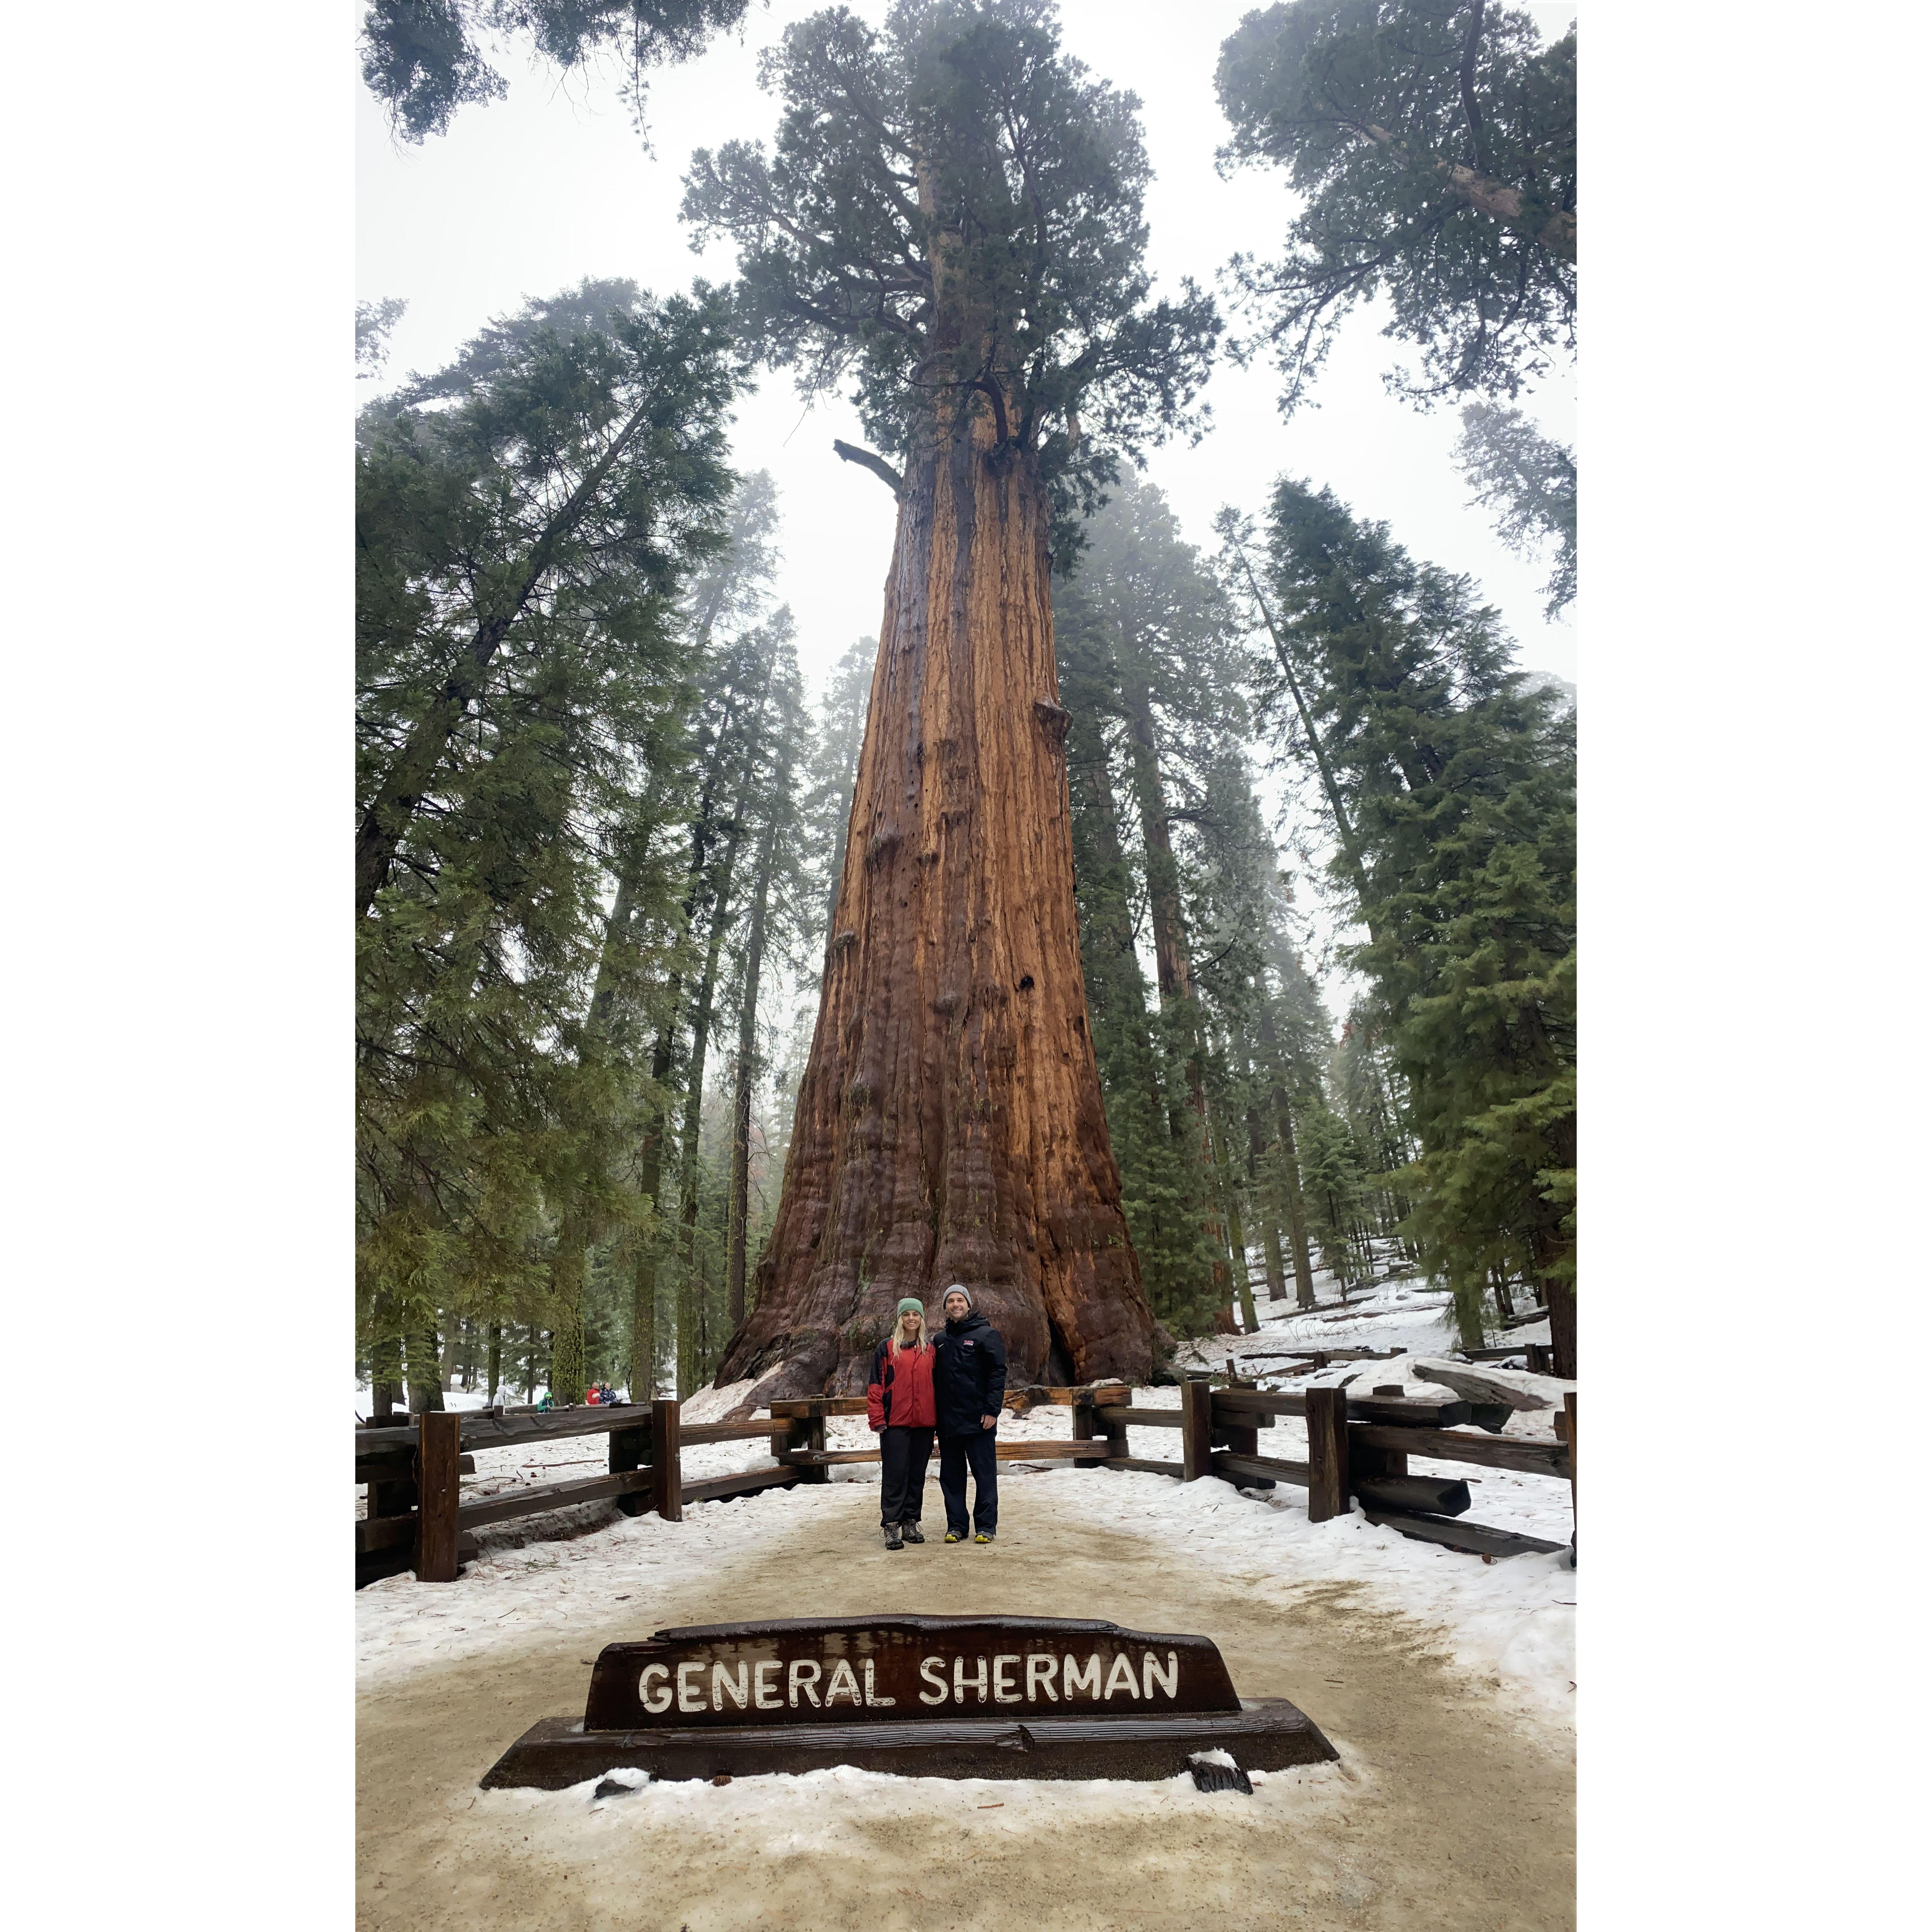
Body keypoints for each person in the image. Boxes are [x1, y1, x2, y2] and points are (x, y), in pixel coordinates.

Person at [932, 1284, 1006, 1543]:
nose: (956, 1305)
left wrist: (992, 1410)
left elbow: (998, 1374)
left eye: (960, 1300)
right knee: (951, 1478)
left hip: (979, 1421)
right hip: (949, 1422)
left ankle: (986, 1526)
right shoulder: (940, 1341)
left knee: (984, 1475)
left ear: (968, 1304)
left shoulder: (986, 1335)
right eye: (950, 1301)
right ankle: (957, 1526)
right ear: (945, 1307)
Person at [866, 1298, 936, 1550]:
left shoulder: (930, 1350)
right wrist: (878, 1419)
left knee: (917, 1476)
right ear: (900, 1319)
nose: (911, 1319)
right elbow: (876, 1387)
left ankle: (910, 1521)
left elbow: (937, 1386)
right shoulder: (886, 1349)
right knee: (895, 1475)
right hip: (895, 1423)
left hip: (924, 1423)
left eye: (915, 1315)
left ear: (921, 1319)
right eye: (906, 1315)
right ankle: (892, 1525)